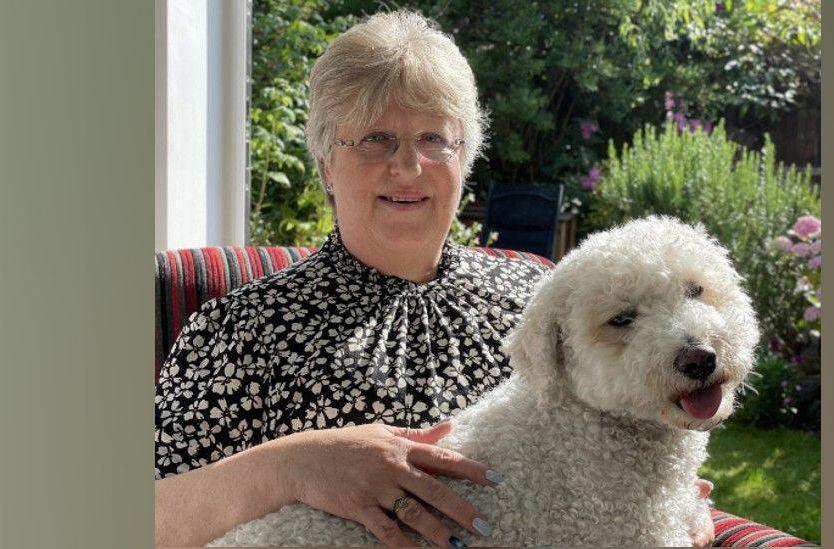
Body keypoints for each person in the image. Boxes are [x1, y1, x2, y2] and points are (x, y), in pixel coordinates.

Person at [154, 10, 714, 548]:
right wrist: (293, 466)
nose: (408, 165)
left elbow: (642, 428)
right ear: (326, 161)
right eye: (375, 139)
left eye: (434, 139)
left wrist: (682, 508)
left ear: (466, 157)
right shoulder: (241, 329)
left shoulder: (538, 299)